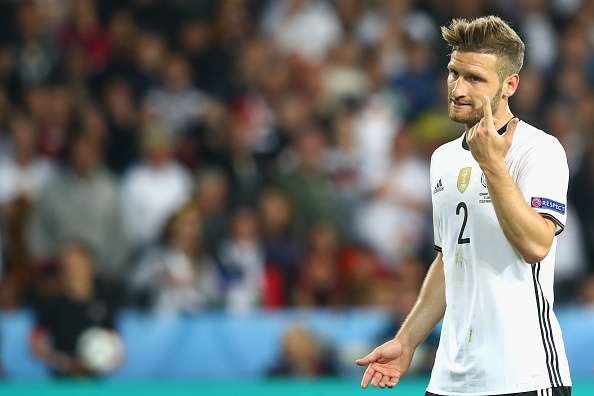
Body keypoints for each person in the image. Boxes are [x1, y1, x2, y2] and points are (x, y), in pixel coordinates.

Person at [356, 16, 572, 396]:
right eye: (453, 73)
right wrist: (407, 341)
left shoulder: (539, 150)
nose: (457, 88)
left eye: (474, 79)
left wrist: (492, 165)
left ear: (510, 85)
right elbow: (449, 259)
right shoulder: (442, 158)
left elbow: (537, 245)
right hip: (450, 381)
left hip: (523, 376)